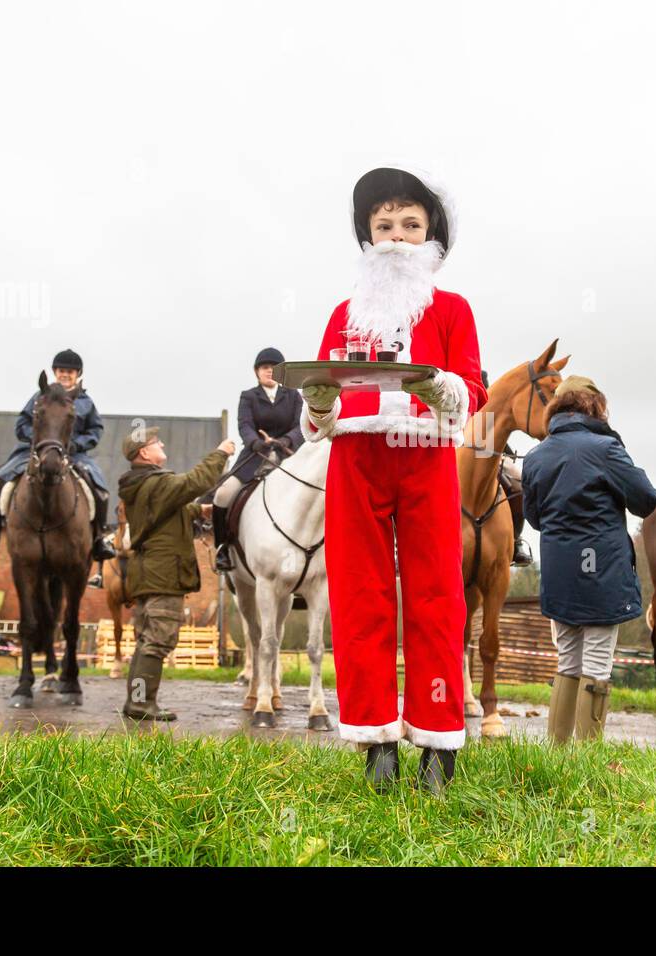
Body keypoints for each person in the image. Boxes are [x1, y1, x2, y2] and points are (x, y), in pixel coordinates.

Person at [299, 166, 485, 794]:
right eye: (385, 226)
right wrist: (320, 404)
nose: (398, 238)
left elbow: (472, 390)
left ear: (430, 236)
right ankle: (376, 738)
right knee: (360, 593)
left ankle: (438, 742)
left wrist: (441, 387)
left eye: (411, 226)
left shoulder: (453, 309)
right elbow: (319, 403)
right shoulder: (345, 313)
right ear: (368, 236)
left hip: (425, 454)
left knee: (437, 593)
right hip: (358, 457)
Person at [521, 376, 656, 743]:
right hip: (602, 571)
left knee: (567, 659)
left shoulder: (535, 457)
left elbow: (534, 517)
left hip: (559, 573)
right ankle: (588, 759)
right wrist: (617, 447)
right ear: (595, 406)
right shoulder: (605, 448)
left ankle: (558, 753)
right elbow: (646, 499)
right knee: (597, 663)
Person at [118, 427, 236, 720]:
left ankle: (136, 702)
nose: (162, 444)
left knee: (147, 639)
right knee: (158, 639)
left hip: (147, 573)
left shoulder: (141, 485)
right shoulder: (157, 483)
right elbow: (196, 481)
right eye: (156, 442)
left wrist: (198, 512)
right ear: (144, 452)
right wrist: (221, 453)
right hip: (164, 574)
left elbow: (164, 514)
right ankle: (142, 705)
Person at [0, 349, 117, 567]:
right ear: (55, 372)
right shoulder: (40, 397)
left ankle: (98, 538)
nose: (65, 374)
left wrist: (77, 444)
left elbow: (95, 430)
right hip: (35, 452)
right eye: (61, 370)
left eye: (70, 371)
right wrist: (39, 442)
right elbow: (22, 424)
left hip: (74, 455)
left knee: (100, 489)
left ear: (78, 374)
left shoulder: (85, 402)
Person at [213, 347, 305, 572]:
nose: (269, 371)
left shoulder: (294, 396)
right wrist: (255, 442)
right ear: (257, 372)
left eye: (274, 368)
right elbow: (244, 424)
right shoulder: (249, 396)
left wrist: (286, 440)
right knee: (222, 494)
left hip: (288, 456)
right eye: (265, 368)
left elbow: (301, 426)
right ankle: (223, 547)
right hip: (256, 455)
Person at [481, 369, 533, 567]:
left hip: (489, 450)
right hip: (453, 449)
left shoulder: (482, 378)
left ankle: (516, 540)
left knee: (518, 483)